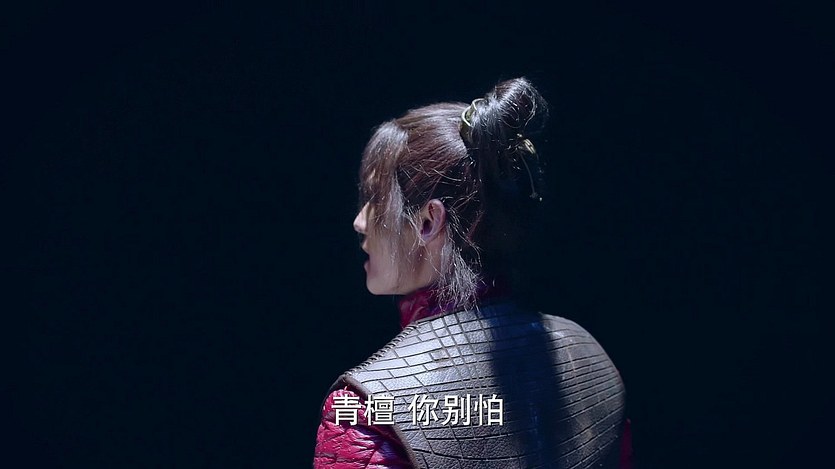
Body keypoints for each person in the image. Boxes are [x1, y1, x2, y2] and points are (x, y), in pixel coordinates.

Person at [313, 78, 632, 468]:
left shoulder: (364, 409)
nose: (360, 221)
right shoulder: (591, 356)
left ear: (429, 221)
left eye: (377, 199)